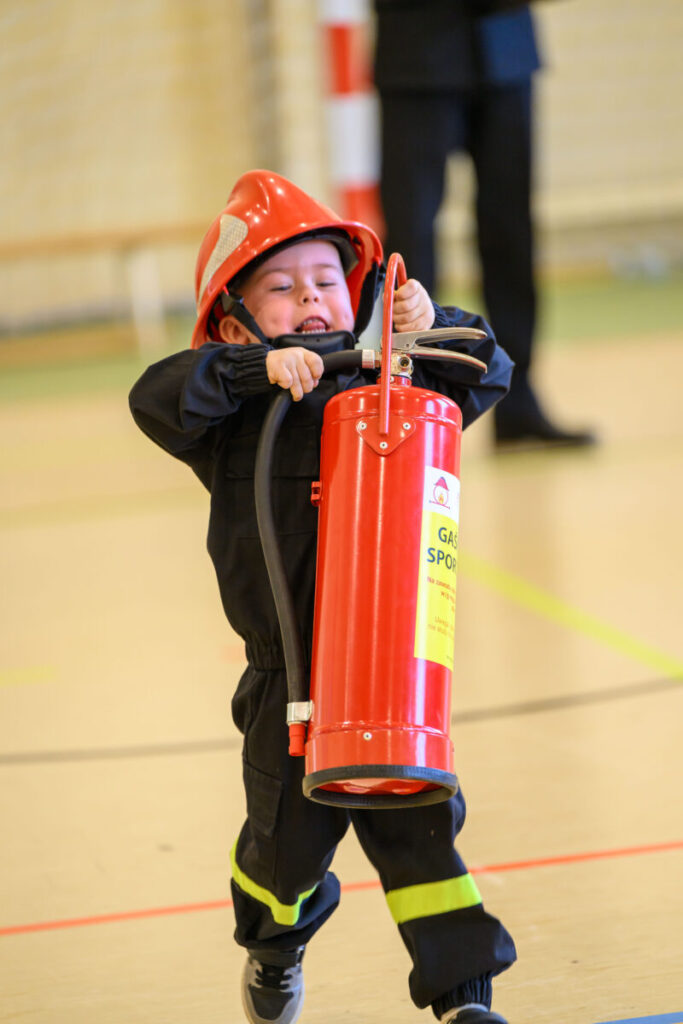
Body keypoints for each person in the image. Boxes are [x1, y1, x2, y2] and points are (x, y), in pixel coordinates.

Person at [129, 169, 517, 1024]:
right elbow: (155, 395)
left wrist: (430, 325)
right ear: (233, 320)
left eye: (325, 280)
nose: (310, 297)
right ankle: (275, 946)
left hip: (388, 667)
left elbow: (486, 371)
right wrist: (253, 369)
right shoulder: (231, 415)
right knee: (286, 859)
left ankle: (463, 996)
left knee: (424, 836)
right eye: (281, 288)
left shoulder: (395, 386)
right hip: (290, 681)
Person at [373, 0, 595, 448]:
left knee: (511, 232)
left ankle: (516, 399)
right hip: (417, 47)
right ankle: (408, 403)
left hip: (505, 47)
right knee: (412, 241)